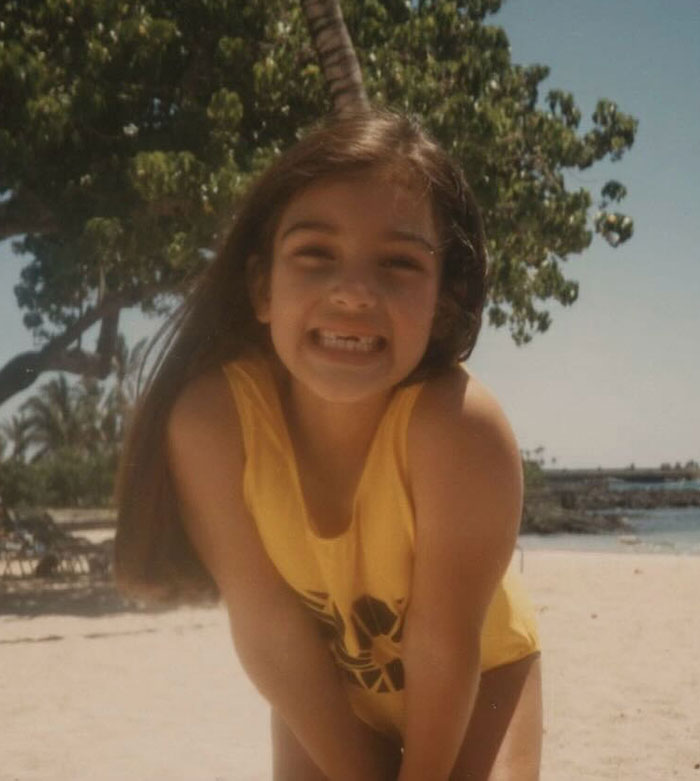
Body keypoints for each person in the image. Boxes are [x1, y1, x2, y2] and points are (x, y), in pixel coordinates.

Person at [115, 109, 542, 780]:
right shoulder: (211, 424)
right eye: (315, 254)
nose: (353, 291)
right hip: (325, 685)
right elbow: (270, 629)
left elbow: (443, 643)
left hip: (478, 674)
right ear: (262, 287)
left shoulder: (462, 431)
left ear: (444, 303)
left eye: (399, 262)